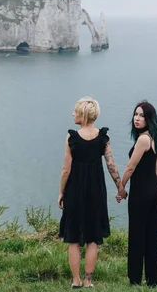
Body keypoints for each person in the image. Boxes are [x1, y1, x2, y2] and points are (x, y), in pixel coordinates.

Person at [58, 97, 126, 289]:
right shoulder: (103, 137)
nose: (73, 114)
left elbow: (66, 170)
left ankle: (76, 280)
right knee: (93, 238)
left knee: (73, 238)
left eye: (76, 111)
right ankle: (88, 281)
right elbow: (111, 164)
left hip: (75, 190)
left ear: (83, 115)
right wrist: (120, 186)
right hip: (96, 190)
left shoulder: (71, 138)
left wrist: (61, 192)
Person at [117, 100, 157, 288]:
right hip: (155, 192)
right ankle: (154, 280)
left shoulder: (143, 139)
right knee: (152, 236)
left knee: (137, 235)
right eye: (136, 114)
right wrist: (154, 188)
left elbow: (130, 167)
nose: (137, 118)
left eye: (142, 115)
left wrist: (121, 188)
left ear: (149, 119)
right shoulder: (154, 137)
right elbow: (156, 167)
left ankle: (135, 279)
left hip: (142, 194)